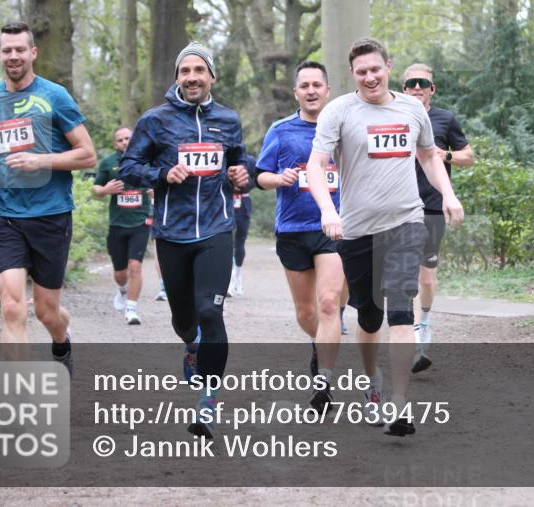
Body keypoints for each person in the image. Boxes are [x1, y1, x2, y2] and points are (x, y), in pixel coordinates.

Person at [307, 38, 464, 437]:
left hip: (406, 222)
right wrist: (328, 210)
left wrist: (448, 194)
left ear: (388, 67)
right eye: (361, 72)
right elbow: (316, 164)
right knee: (369, 316)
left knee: (399, 311)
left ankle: (399, 404)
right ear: (353, 75)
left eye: (375, 69)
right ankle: (372, 381)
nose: (370, 77)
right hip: (356, 229)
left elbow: (428, 156)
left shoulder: (412, 110)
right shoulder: (339, 111)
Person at [118, 42, 252, 438]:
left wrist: (241, 173)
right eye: (185, 71)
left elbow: (239, 160)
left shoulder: (228, 119)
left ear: (211, 76)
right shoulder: (155, 121)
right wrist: (162, 175)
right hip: (172, 233)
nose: (192, 77)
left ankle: (208, 403)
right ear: (177, 78)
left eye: (199, 70)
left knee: (211, 313)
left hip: (216, 229)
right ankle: (191, 344)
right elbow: (129, 167)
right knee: (184, 321)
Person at [0, 21, 97, 373]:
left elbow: (87, 154)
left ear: (32, 53)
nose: (13, 56)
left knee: (46, 311)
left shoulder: (54, 96)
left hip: (50, 215)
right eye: (7, 50)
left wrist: (41, 160)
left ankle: (61, 339)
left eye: (20, 49)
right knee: (12, 307)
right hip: (4, 215)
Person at [255, 61, 345, 410]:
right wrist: (280, 179)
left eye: (317, 85)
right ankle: (321, 343)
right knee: (307, 313)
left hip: (333, 228)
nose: (311, 91)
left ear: (327, 91)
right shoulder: (281, 130)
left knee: (328, 304)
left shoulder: (342, 128)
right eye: (304, 85)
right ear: (296, 93)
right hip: (292, 229)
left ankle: (324, 380)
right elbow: (260, 176)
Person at [402, 63, 475, 373]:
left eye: (423, 83)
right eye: (411, 84)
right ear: (403, 89)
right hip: (398, 206)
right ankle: (411, 338)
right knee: (402, 278)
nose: (417, 88)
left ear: (432, 89)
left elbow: (469, 157)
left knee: (427, 279)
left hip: (432, 206)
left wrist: (440, 154)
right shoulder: (393, 117)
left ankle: (425, 321)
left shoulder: (445, 119)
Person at [93, 126, 153, 324]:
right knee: (120, 273)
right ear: (115, 144)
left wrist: (156, 190)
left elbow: (159, 180)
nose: (125, 142)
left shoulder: (147, 159)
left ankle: (132, 309)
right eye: (120, 140)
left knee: (135, 266)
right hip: (117, 223)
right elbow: (96, 188)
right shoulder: (108, 163)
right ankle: (122, 290)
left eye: (128, 138)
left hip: (141, 222)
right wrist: (106, 189)